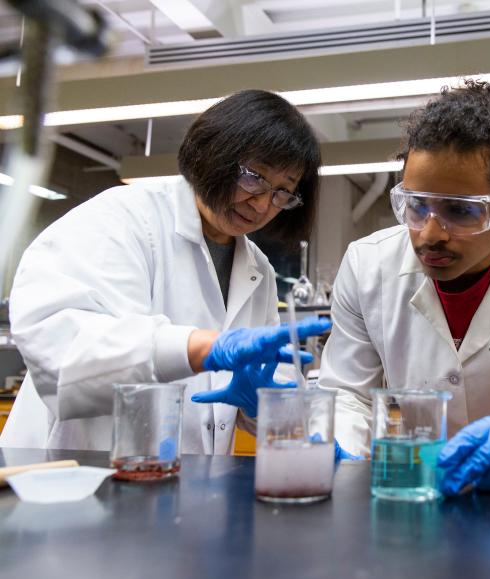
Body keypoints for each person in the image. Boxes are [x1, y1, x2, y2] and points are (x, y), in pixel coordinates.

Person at [0, 89, 330, 453]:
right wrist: (196, 349)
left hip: (183, 488)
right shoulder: (121, 219)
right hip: (72, 474)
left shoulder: (258, 271)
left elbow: (255, 388)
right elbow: (62, 350)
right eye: (254, 177)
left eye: (283, 192)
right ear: (212, 154)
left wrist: (273, 410)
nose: (264, 203)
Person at [319, 79, 490, 494]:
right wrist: (344, 450)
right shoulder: (367, 264)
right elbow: (347, 395)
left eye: (460, 211)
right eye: (416, 204)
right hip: (412, 493)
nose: (430, 234)